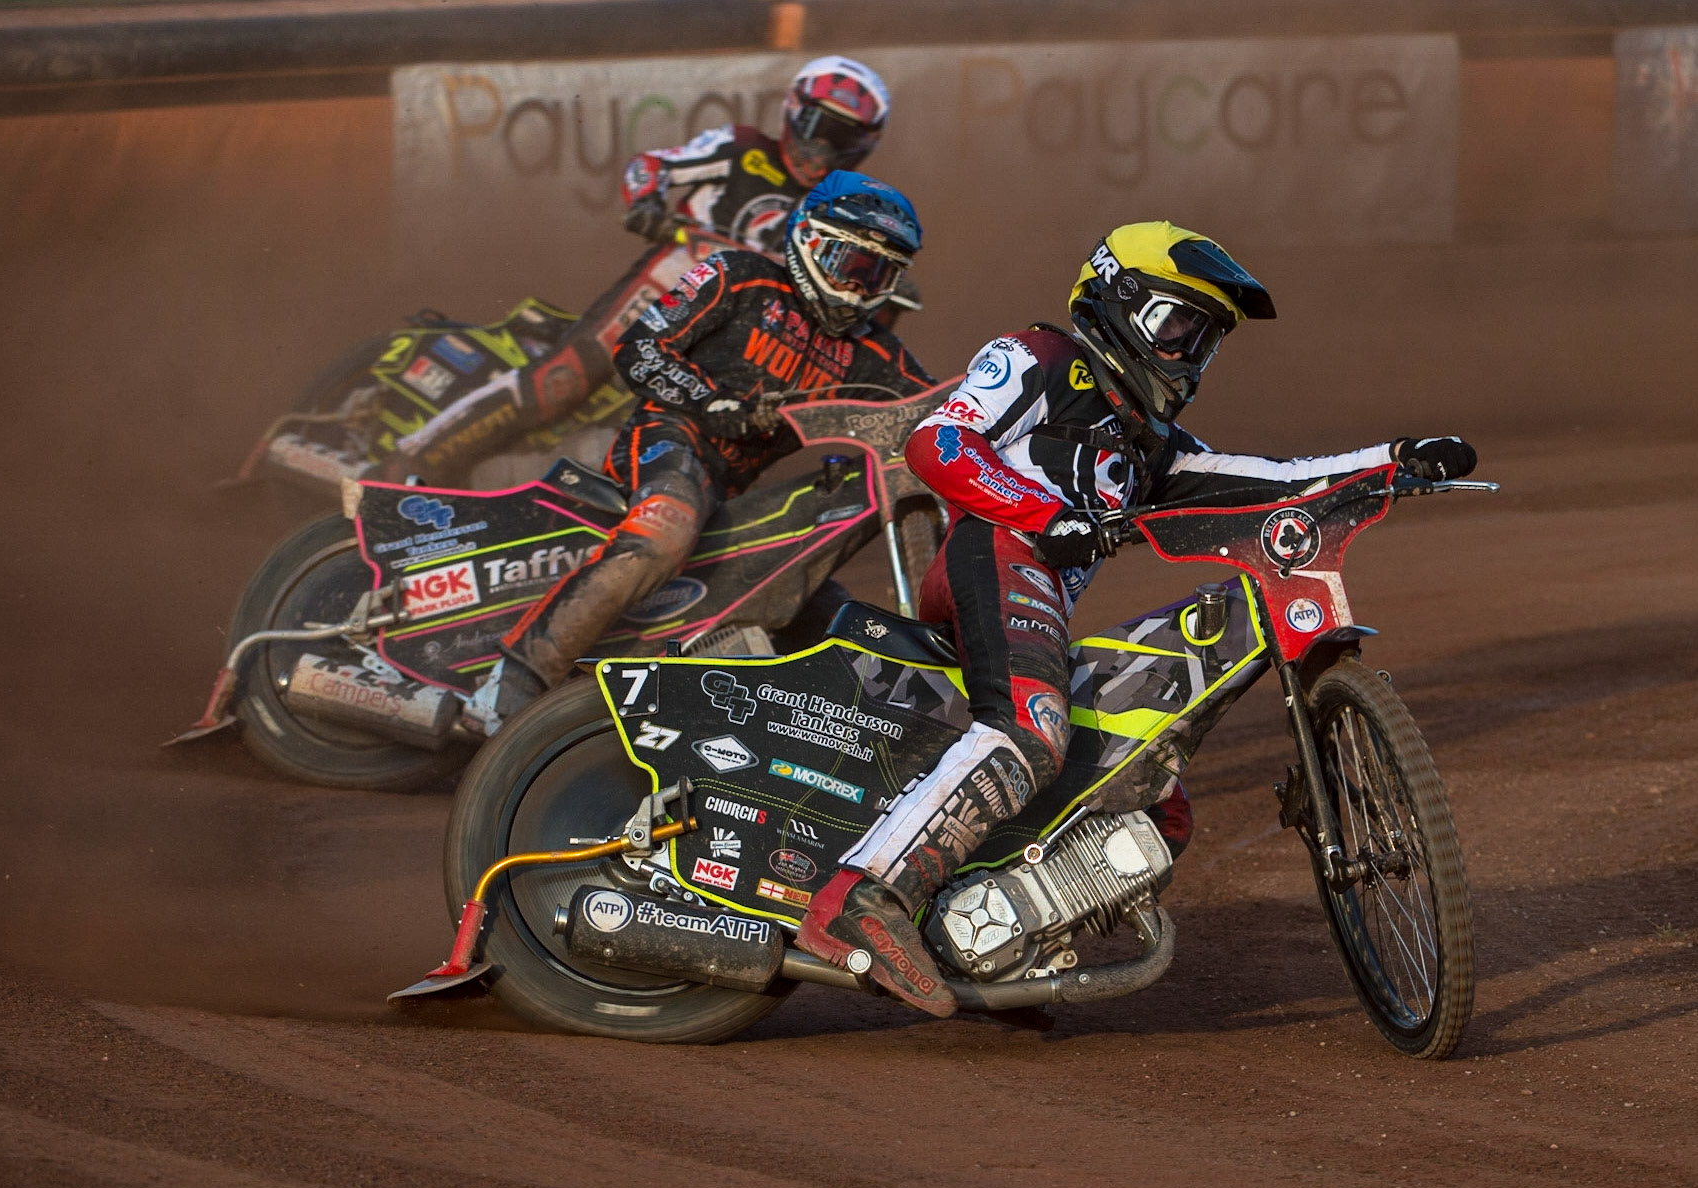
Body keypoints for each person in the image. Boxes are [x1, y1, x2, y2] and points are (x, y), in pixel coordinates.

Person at [794, 221, 1479, 1017]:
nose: (1190, 353)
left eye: (1205, 339)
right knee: (1033, 726)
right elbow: (938, 442)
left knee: (1151, 792)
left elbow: (1275, 480)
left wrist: (1396, 460)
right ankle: (862, 895)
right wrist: (1043, 513)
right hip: (992, 553)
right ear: (1117, 303)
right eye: (1178, 325)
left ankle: (996, 939)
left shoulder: (1153, 444)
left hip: (1034, 590)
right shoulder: (1041, 356)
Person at [483, 171, 934, 724]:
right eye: (855, 266)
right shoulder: (738, 276)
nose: (862, 288)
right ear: (811, 242)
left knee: (811, 592)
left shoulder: (875, 354)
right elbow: (640, 347)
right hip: (668, 439)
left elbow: (936, 409)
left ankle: (906, 730)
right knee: (665, 531)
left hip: (733, 489)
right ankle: (514, 681)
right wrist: (714, 401)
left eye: (880, 274)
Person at [392, 57, 893, 486]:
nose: (823, 149)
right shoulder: (742, 148)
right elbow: (651, 164)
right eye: (820, 129)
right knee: (562, 381)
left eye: (843, 140)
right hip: (669, 283)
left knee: (690, 434)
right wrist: (646, 202)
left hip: (737, 332)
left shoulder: (840, 207)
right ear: (794, 112)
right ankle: (406, 463)